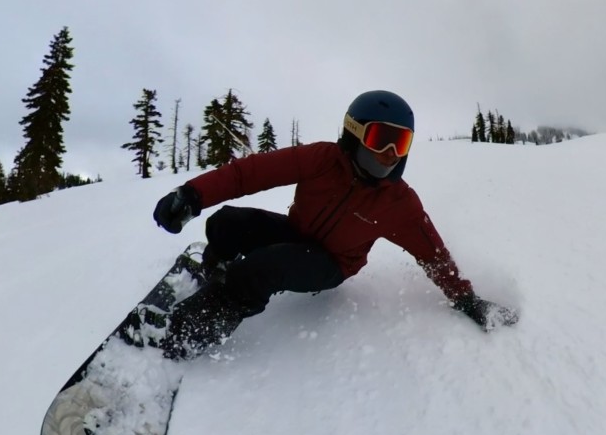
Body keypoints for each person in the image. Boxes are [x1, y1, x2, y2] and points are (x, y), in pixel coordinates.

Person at [152, 90, 517, 360]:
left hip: (330, 264)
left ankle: (190, 331)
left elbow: (433, 255)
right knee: (226, 223)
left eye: (400, 143)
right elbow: (252, 173)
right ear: (354, 133)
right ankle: (218, 273)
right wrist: (192, 195)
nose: (390, 154)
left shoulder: (398, 203)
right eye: (381, 140)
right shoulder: (322, 160)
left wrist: (468, 300)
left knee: (263, 269)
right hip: (297, 233)